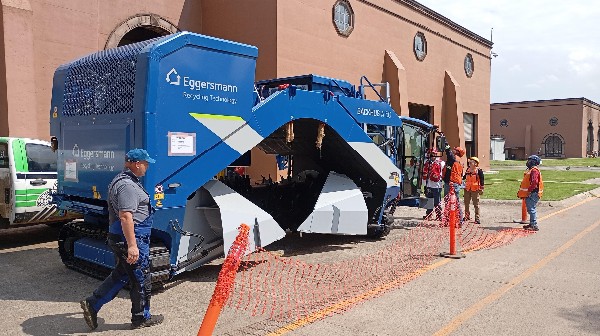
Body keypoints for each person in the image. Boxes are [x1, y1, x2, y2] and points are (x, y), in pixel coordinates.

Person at [80, 148, 164, 330]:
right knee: (141, 279)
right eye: (146, 164)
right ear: (137, 164)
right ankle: (141, 318)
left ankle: (93, 304)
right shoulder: (127, 186)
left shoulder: (126, 180)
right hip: (131, 239)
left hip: (126, 237)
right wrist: (132, 246)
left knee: (122, 274)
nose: (147, 167)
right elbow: (126, 216)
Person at [517, 155, 544, 231]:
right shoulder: (532, 170)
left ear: (533, 162)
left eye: (529, 161)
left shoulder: (534, 171)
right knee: (531, 208)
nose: (527, 162)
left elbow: (534, 182)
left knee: (531, 209)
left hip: (533, 193)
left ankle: (533, 224)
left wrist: (529, 190)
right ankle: (532, 223)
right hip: (534, 192)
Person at [442, 143, 465, 224]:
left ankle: (459, 220)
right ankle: (450, 219)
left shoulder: (455, 158)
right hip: (451, 182)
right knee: (450, 202)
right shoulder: (456, 160)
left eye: (455, 149)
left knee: (453, 202)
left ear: (457, 152)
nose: (453, 150)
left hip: (452, 184)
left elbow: (449, 153)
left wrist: (445, 143)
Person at [422, 149, 445, 220]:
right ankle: (429, 214)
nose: (433, 155)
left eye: (434, 154)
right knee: (429, 200)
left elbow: (444, 173)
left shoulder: (441, 163)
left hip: (437, 185)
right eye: (432, 154)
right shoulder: (427, 162)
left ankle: (439, 215)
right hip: (429, 185)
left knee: (437, 201)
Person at [463, 156, 485, 224]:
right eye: (470, 161)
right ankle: (467, 216)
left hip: (475, 189)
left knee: (476, 204)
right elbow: (464, 178)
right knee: (466, 203)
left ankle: (477, 218)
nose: (470, 162)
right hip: (467, 189)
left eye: (471, 161)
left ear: (476, 163)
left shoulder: (479, 171)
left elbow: (482, 180)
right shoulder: (467, 170)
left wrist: (481, 188)